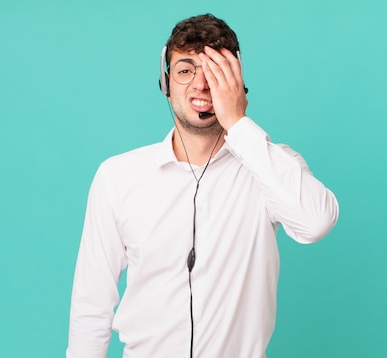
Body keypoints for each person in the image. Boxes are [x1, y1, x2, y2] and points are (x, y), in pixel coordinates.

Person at [66, 13, 339, 358]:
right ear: (165, 85)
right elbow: (92, 307)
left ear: (238, 84)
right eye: (185, 70)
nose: (201, 84)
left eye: (215, 72)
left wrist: (238, 123)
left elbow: (316, 223)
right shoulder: (117, 177)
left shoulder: (272, 166)